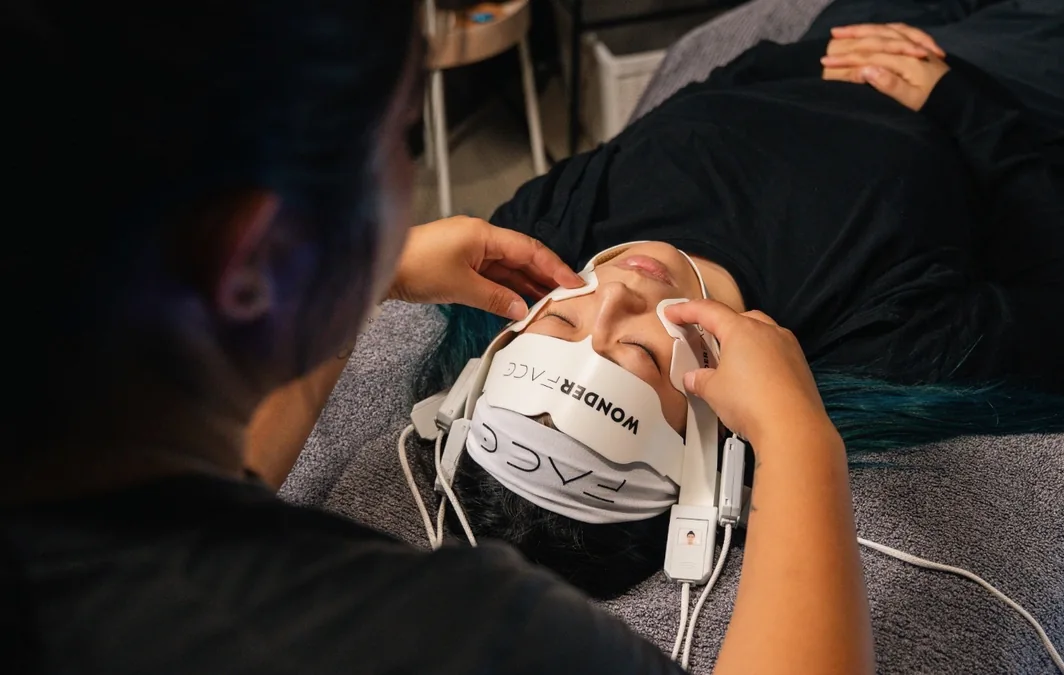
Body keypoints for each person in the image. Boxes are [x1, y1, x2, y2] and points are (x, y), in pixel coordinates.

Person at [2, 1, 874, 674]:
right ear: (258, 259)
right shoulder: (465, 639)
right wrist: (800, 445)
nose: (607, 303)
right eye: (406, 138)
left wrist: (355, 275)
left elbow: (196, 502)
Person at [419, 0, 1064, 599]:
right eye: (639, 351)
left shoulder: (534, 243)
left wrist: (818, 52)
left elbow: (691, 108)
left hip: (839, 44)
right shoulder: (879, 344)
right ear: (710, 437)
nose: (615, 289)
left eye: (560, 316)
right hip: (1005, 95)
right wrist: (959, 101)